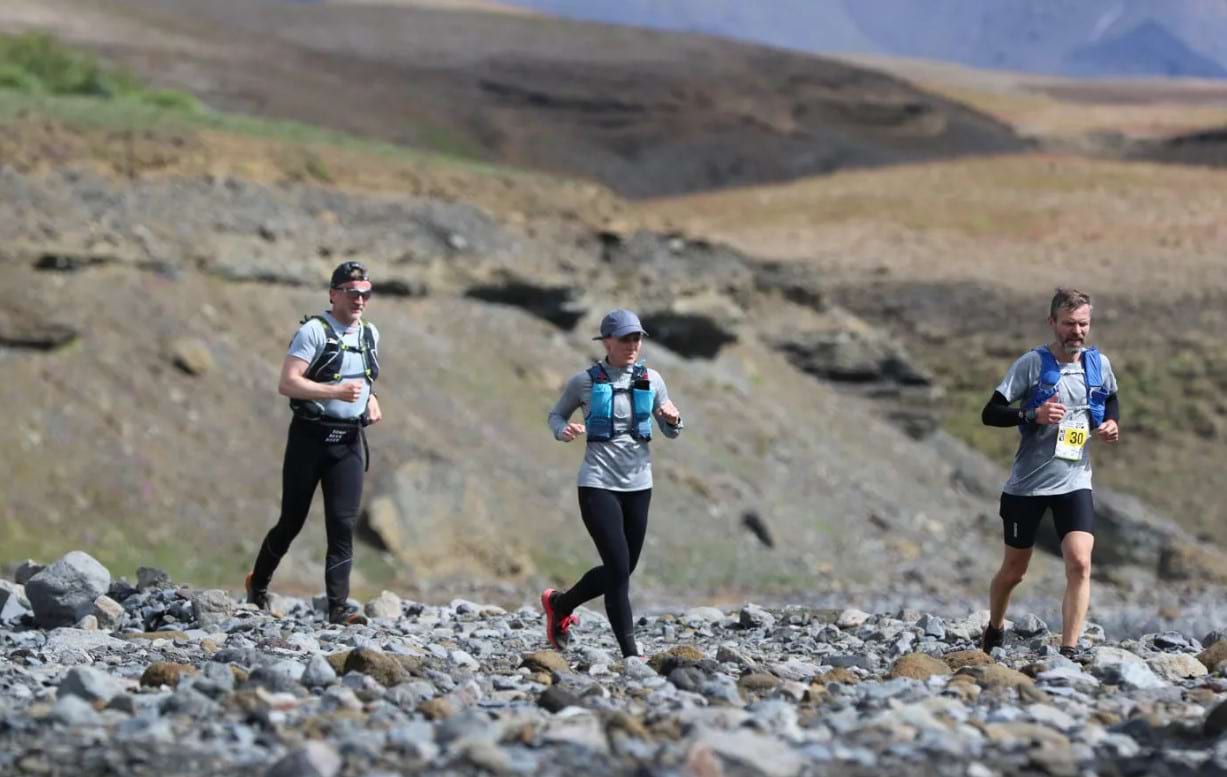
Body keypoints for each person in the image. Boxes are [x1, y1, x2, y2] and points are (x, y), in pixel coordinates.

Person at [979, 288, 1119, 658]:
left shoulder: (1098, 364)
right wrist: (1030, 415)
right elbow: (990, 413)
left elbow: (1111, 398)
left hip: (1075, 480)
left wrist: (1110, 424)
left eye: (1083, 324)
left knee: (1079, 561)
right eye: (1069, 324)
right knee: (1014, 571)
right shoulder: (1032, 364)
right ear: (1052, 323)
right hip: (1027, 486)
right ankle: (994, 627)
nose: (1077, 331)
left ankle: (1069, 649)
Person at [245, 261, 383, 626]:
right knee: (292, 520)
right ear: (333, 294)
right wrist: (334, 391)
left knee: (342, 524)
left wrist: (369, 398)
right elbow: (288, 383)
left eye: (365, 293)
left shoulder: (370, 334)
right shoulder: (313, 331)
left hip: (349, 441)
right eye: (352, 293)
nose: (359, 300)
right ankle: (257, 585)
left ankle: (338, 607)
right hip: (310, 438)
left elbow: (364, 376)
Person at [542, 309, 684, 658]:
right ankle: (631, 655)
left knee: (623, 568)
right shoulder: (584, 381)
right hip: (597, 484)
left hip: (639, 485)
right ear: (607, 341)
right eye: (625, 338)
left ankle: (561, 604)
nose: (633, 344)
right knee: (619, 570)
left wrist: (674, 418)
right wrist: (564, 431)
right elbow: (556, 415)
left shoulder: (651, 378)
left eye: (637, 338)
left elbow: (670, 429)